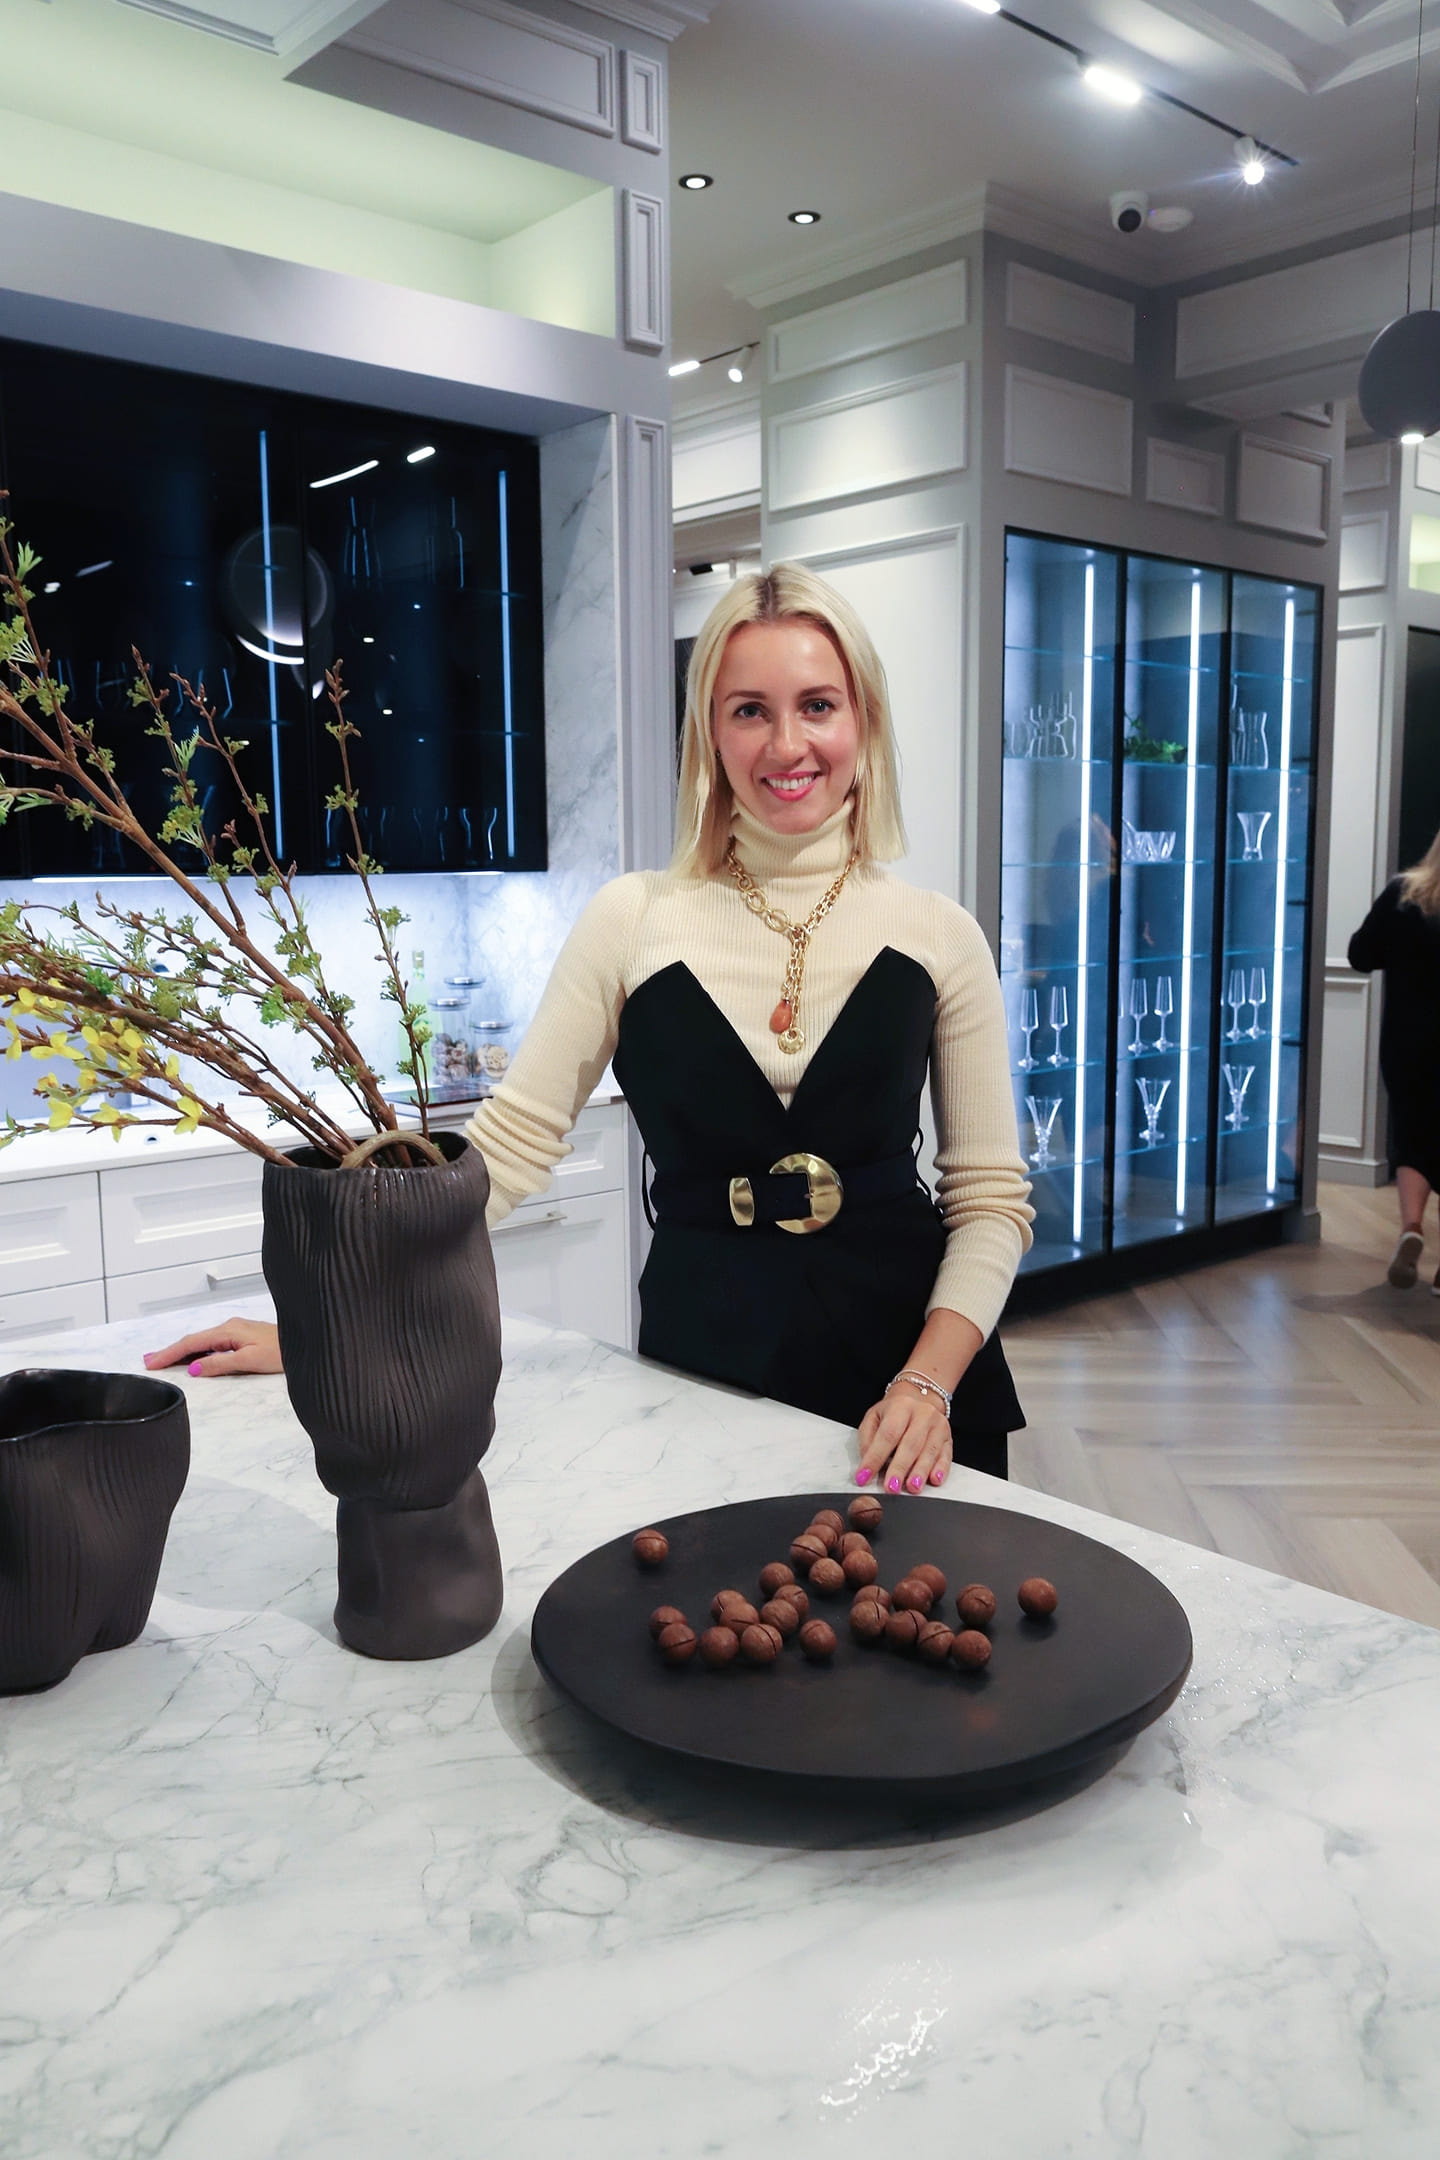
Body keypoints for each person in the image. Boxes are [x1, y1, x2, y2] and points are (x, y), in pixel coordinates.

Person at [149, 565, 1034, 1492]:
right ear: (709, 731)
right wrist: (331, 1325)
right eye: (749, 710)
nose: (787, 744)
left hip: (915, 1393)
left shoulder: (940, 934)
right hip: (707, 1374)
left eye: (818, 705)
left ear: (864, 720)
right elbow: (504, 1153)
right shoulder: (633, 920)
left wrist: (928, 1384)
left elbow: (989, 1202)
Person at [1349, 826, 1440, 1290]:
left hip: (1408, 1044)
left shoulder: (1403, 893)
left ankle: (1412, 1227)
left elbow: (1360, 955)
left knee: (1412, 1136)